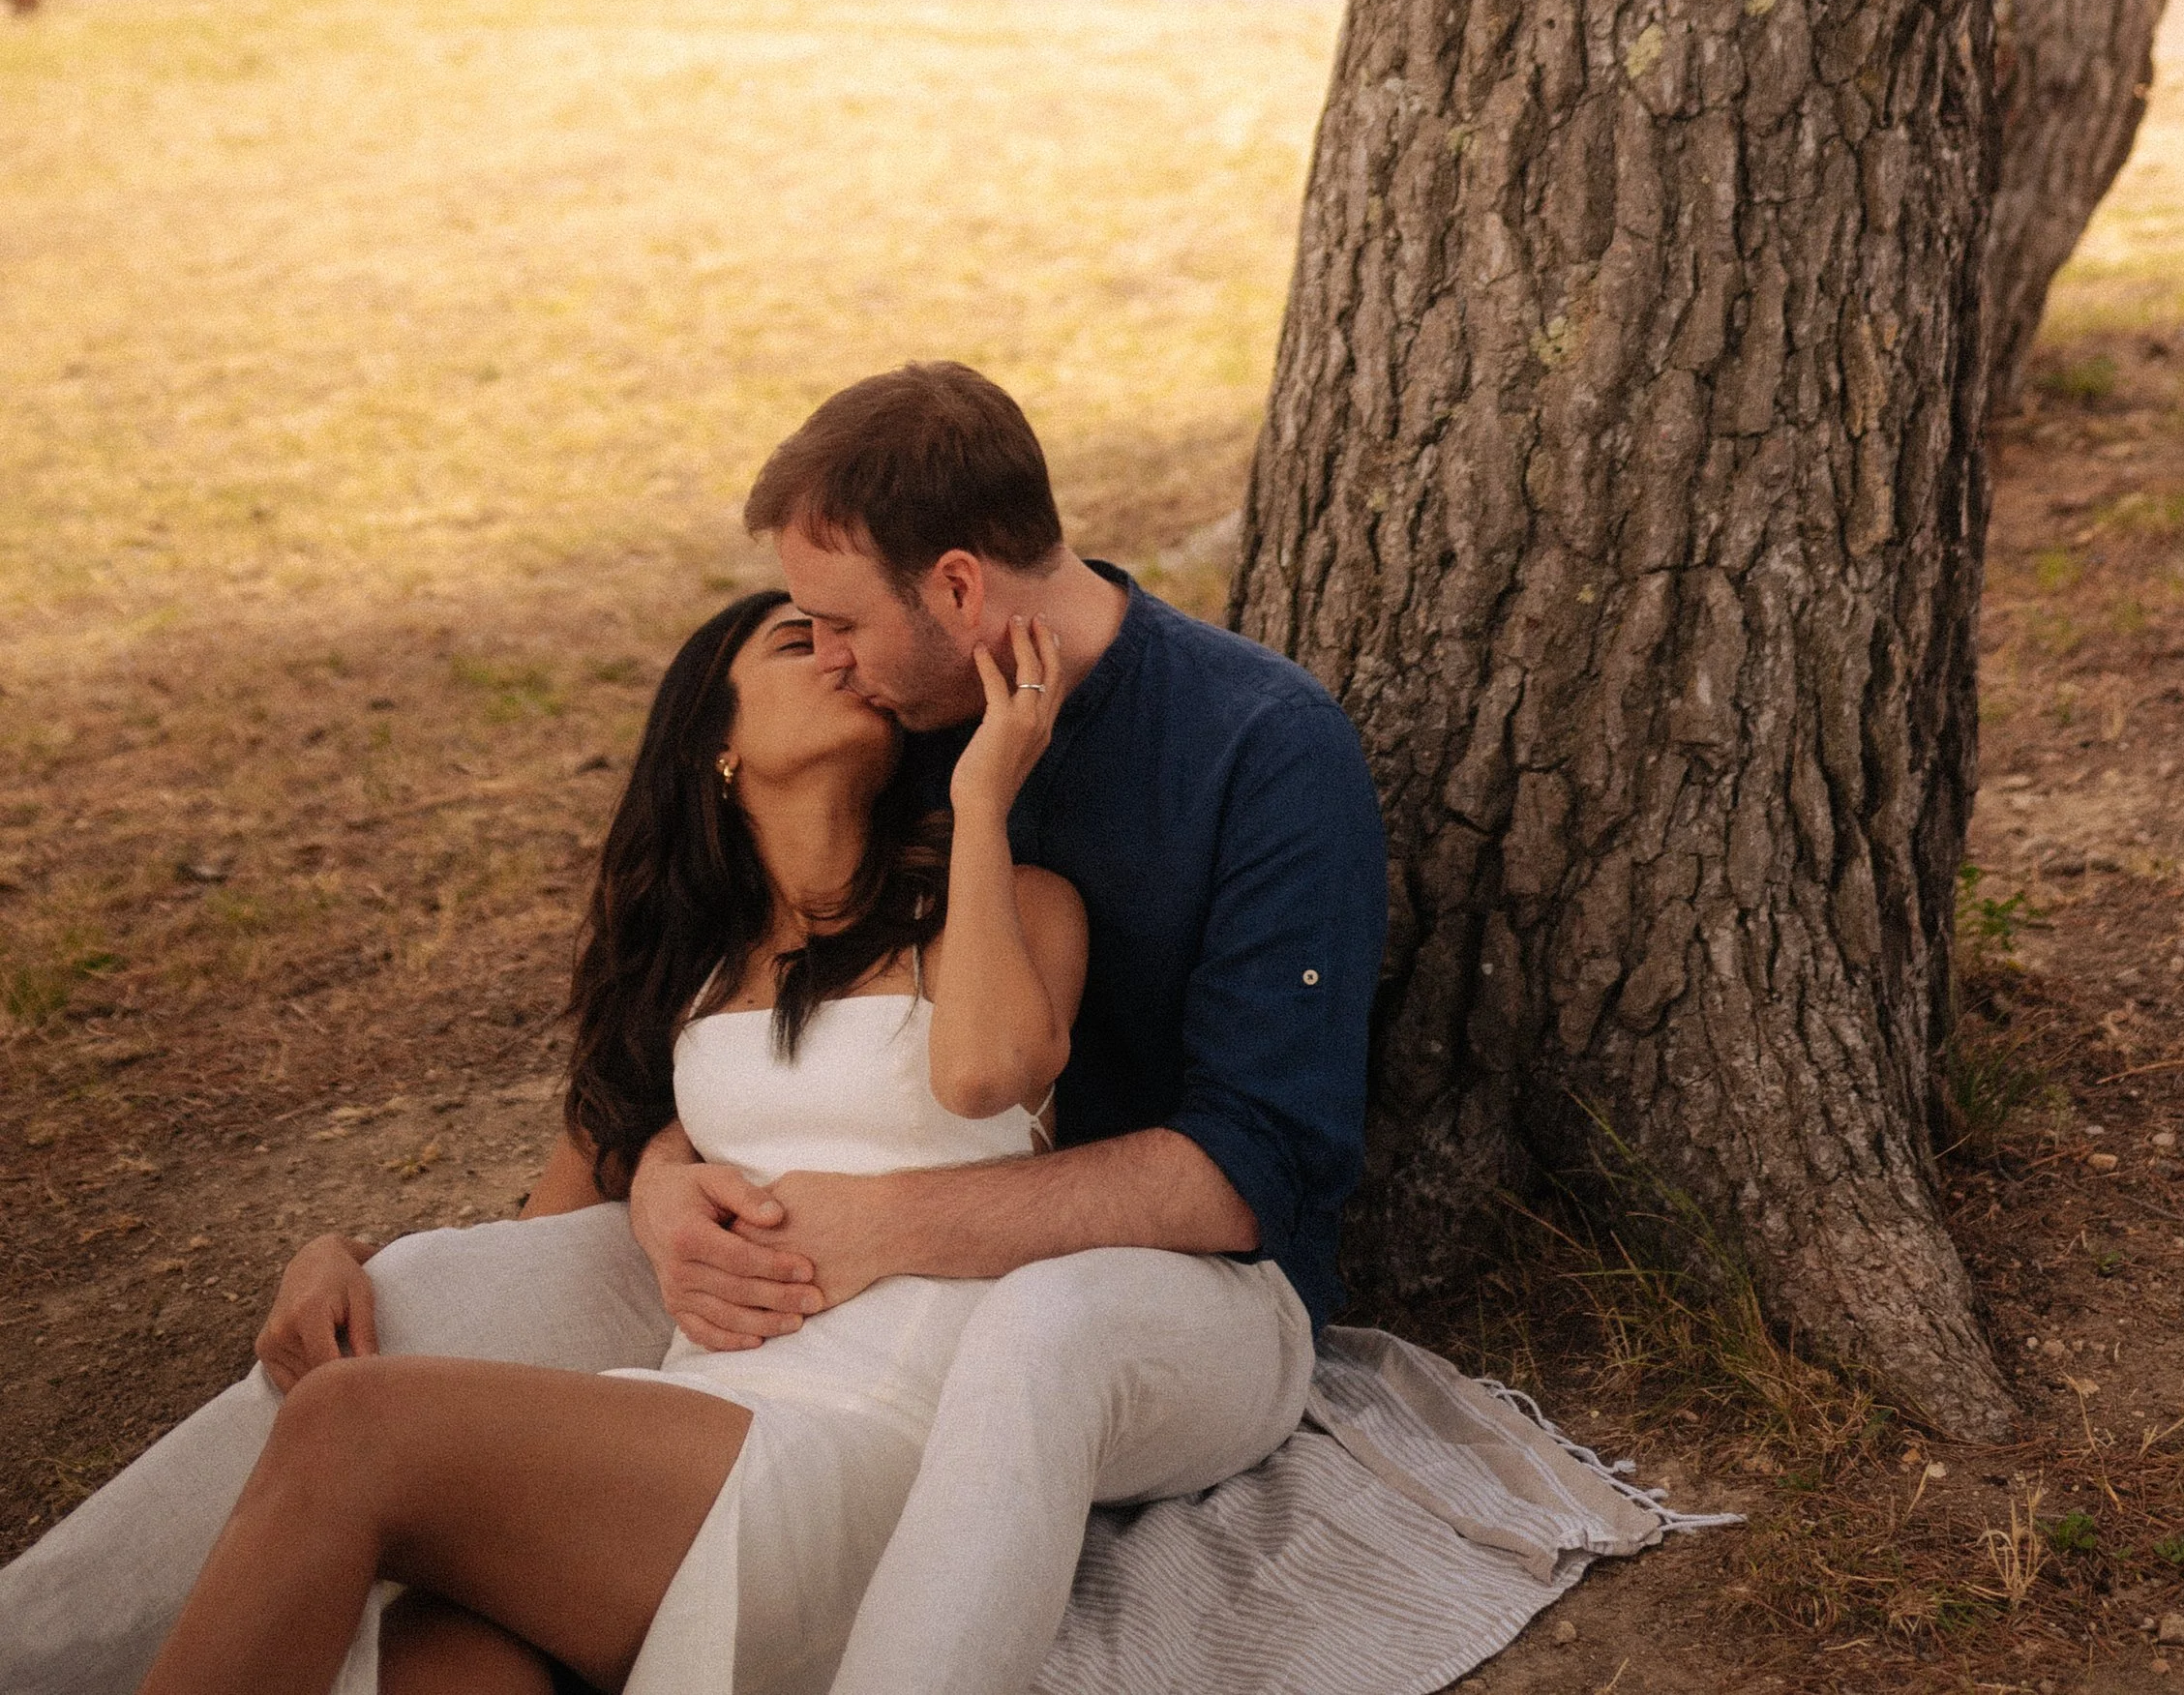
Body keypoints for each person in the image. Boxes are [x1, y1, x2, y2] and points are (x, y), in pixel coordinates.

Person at [1, 363, 1391, 1695]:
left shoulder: (1257, 743)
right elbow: (732, 1056)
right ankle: (37, 1649)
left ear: (957, 586)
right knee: (413, 1355)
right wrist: (664, 1186)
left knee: (1042, 1324)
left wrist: (872, 1223)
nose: (827, 655)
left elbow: (1244, 1165)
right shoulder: (895, 707)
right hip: (807, 1305)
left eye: (833, 620)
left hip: (1151, 1284)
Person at [139, 577, 1088, 1693]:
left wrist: (983, 799)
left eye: (847, 634)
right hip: (688, 1430)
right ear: (715, 743)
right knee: (440, 1653)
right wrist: (334, 1254)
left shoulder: (1007, 902)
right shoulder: (686, 986)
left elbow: (985, 1072)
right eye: (800, 641)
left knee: (352, 1423)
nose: (841, 654)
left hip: (883, 1456)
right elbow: (537, 1242)